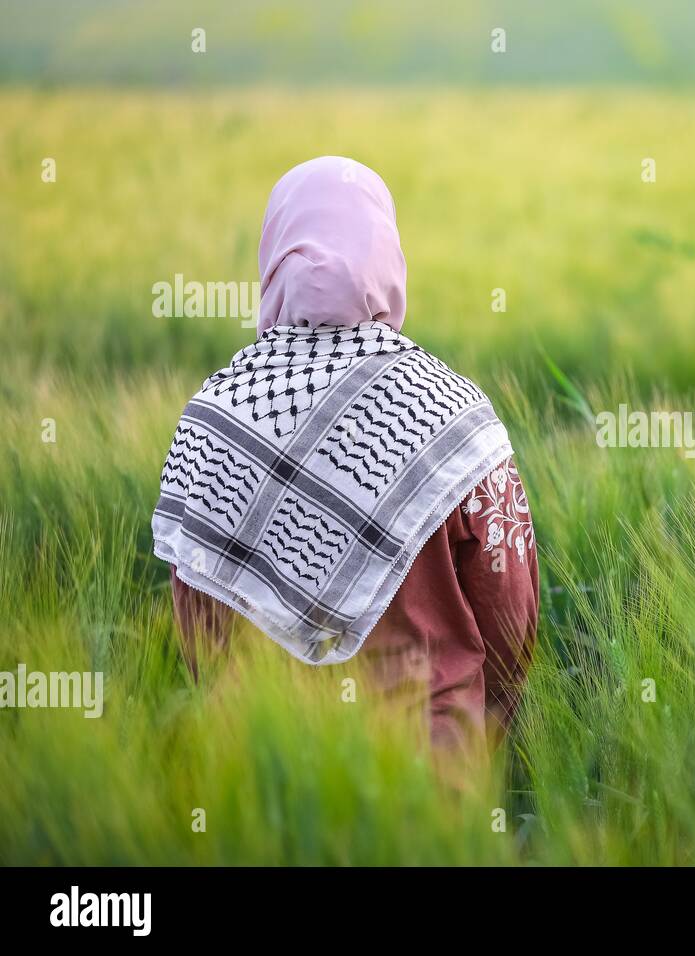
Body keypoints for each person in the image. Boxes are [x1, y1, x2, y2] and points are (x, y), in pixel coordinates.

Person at [153, 156, 537, 756]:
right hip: (426, 780)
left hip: (255, 775)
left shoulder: (217, 414)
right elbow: (508, 612)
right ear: (388, 256)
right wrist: (485, 731)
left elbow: (197, 618)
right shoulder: (454, 417)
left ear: (275, 255)